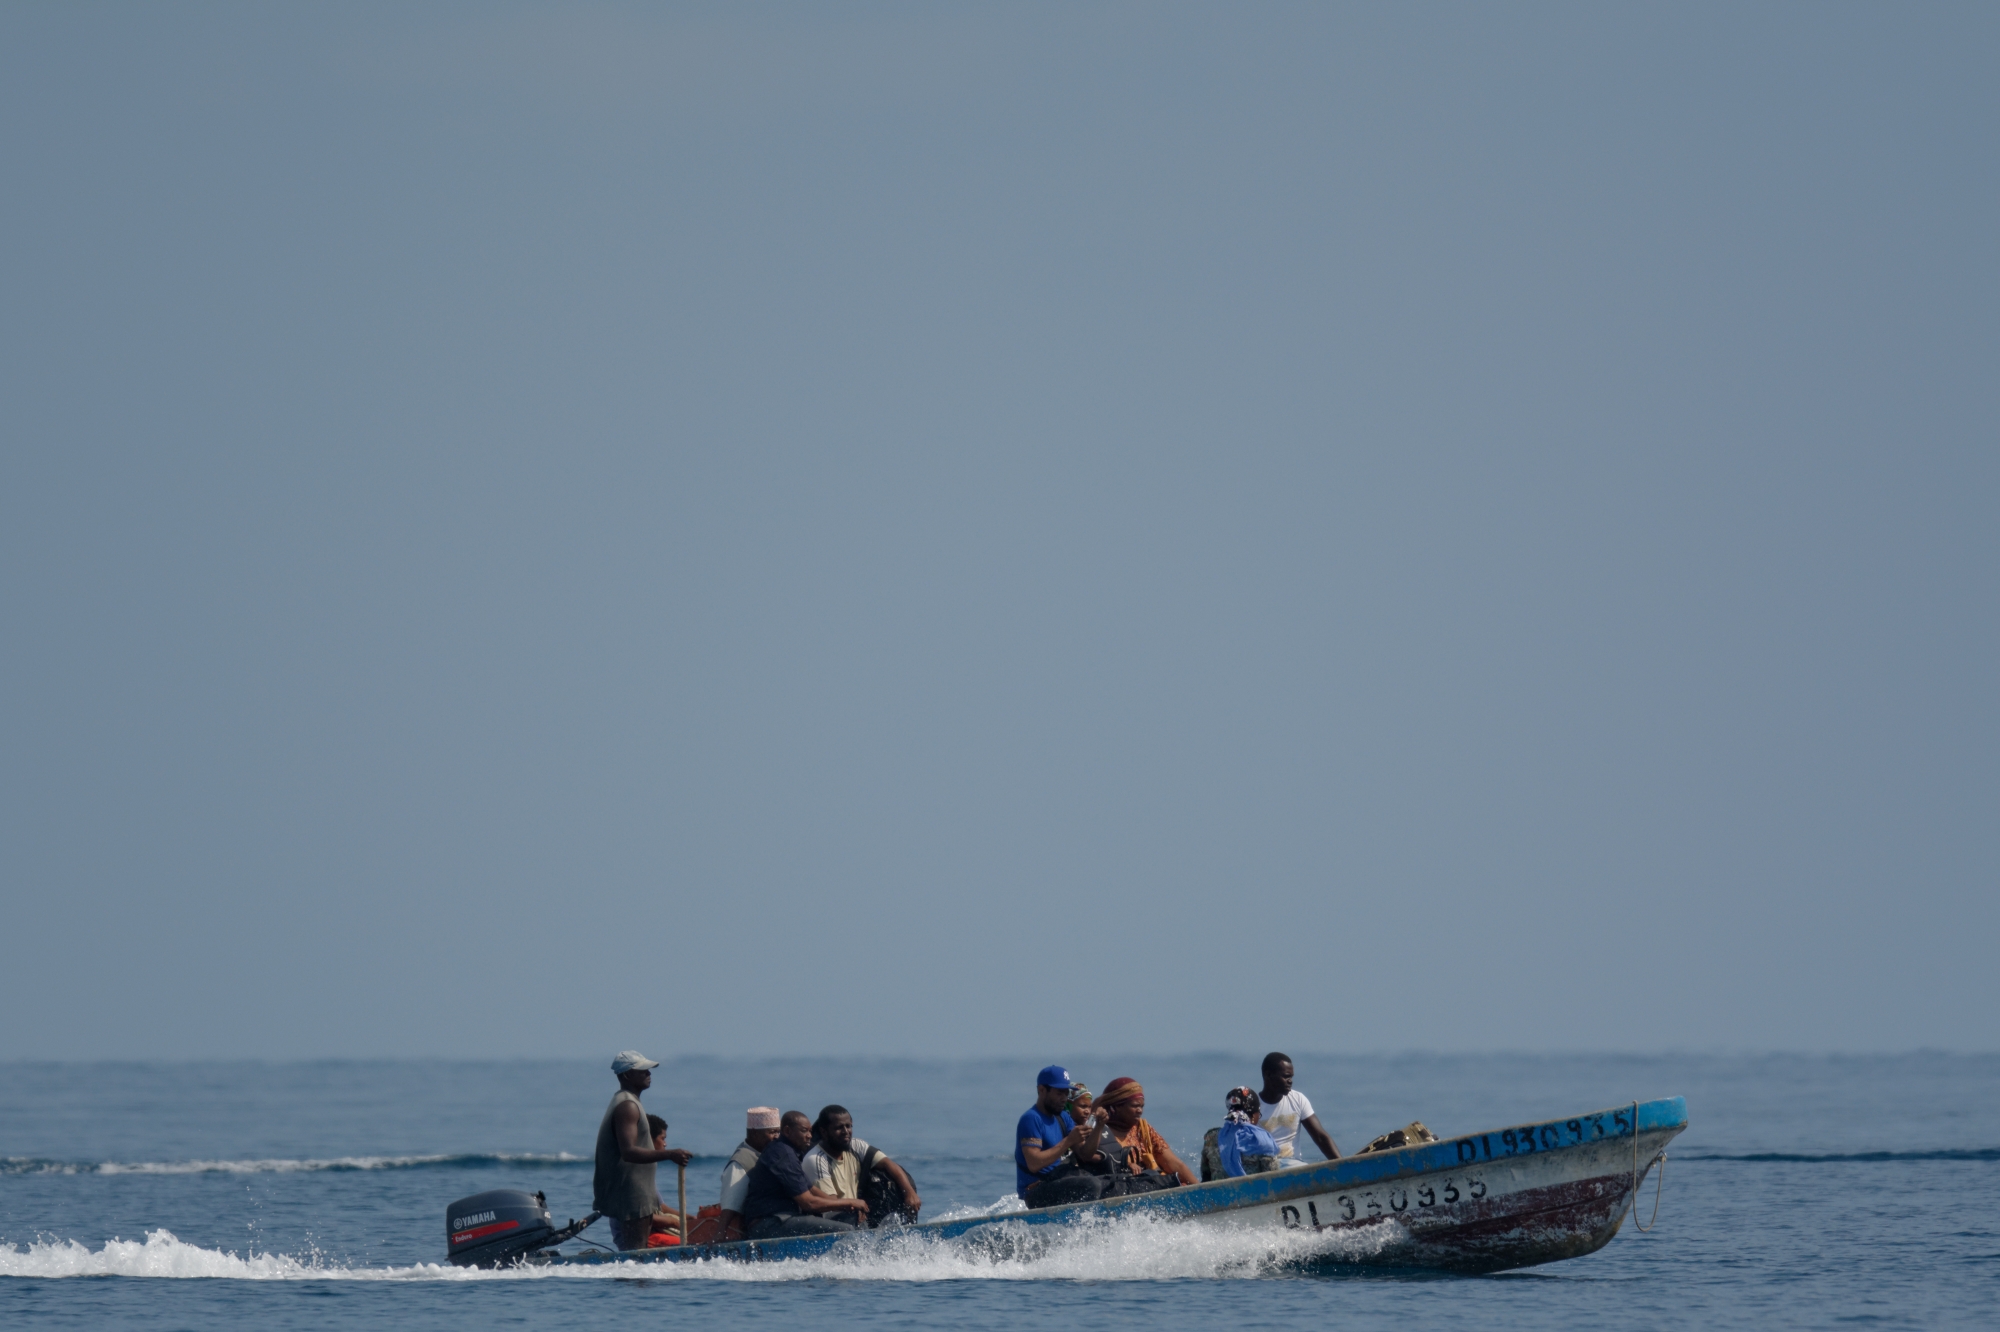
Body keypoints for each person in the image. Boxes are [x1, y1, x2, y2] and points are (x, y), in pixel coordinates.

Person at [592, 1051, 692, 1252]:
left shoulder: (630, 1102)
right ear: (627, 1075)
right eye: (642, 1070)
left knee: (637, 1255)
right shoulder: (627, 1106)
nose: (648, 1073)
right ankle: (632, 1282)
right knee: (636, 1255)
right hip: (631, 1194)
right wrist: (669, 1154)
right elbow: (628, 1152)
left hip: (637, 1192)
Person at [741, 1110, 868, 1238]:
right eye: (804, 1131)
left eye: (810, 1131)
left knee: (852, 1218)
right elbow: (808, 1203)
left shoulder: (791, 1152)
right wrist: (849, 1203)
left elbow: (811, 1189)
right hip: (768, 1224)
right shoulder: (782, 1155)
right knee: (846, 1230)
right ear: (787, 1131)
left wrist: (847, 1206)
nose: (809, 1136)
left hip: (786, 1219)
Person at [802, 1105, 922, 1227]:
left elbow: (888, 1164)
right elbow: (831, 1204)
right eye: (839, 1128)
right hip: (832, 1217)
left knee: (891, 1181)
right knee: (854, 1217)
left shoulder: (856, 1146)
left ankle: (905, 1231)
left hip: (856, 1208)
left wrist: (909, 1193)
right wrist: (853, 1206)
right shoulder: (816, 1159)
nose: (846, 1132)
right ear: (824, 1132)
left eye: (848, 1126)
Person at [1016, 1065, 1108, 1207]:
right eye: (1059, 1093)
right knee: (1092, 1185)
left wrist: (1099, 1126)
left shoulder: (1063, 1117)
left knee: (1107, 1182)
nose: (1064, 1098)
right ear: (1042, 1090)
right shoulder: (1031, 1119)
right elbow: (1034, 1164)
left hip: (1058, 1180)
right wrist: (1068, 1141)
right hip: (1036, 1191)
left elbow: (1085, 1154)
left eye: (1066, 1093)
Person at [1097, 1077, 1197, 1187]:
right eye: (1135, 1106)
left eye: (1141, 1106)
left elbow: (1173, 1163)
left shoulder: (1142, 1128)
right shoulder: (1101, 1132)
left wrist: (1200, 1189)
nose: (1140, 1110)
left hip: (1155, 1184)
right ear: (1116, 1107)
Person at [1256, 1052, 1340, 1162]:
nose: (1290, 1081)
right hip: (1265, 1169)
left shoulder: (1298, 1099)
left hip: (1293, 1166)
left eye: (1291, 1077)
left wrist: (1342, 1164)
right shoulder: (1252, 1107)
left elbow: (1320, 1137)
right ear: (1268, 1075)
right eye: (1286, 1076)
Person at [717, 1107, 781, 1241]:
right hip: (754, 1227)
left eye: (778, 1132)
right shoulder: (741, 1162)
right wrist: (720, 1232)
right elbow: (731, 1203)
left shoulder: (769, 1153)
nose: (777, 1137)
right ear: (754, 1133)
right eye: (772, 1132)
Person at [1210, 1087, 1283, 1178]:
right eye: (1258, 1114)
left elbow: (1205, 1177)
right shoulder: (1261, 1141)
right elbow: (1274, 1178)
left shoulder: (1211, 1137)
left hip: (1217, 1191)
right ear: (1253, 1115)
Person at [642, 1115, 687, 1246]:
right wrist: (674, 1222)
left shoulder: (647, 1170)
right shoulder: (635, 1173)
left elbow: (662, 1207)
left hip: (655, 1232)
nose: (665, 1144)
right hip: (646, 1236)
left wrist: (690, 1219)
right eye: (663, 1138)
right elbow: (643, 1217)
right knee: (692, 1243)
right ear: (649, 1139)